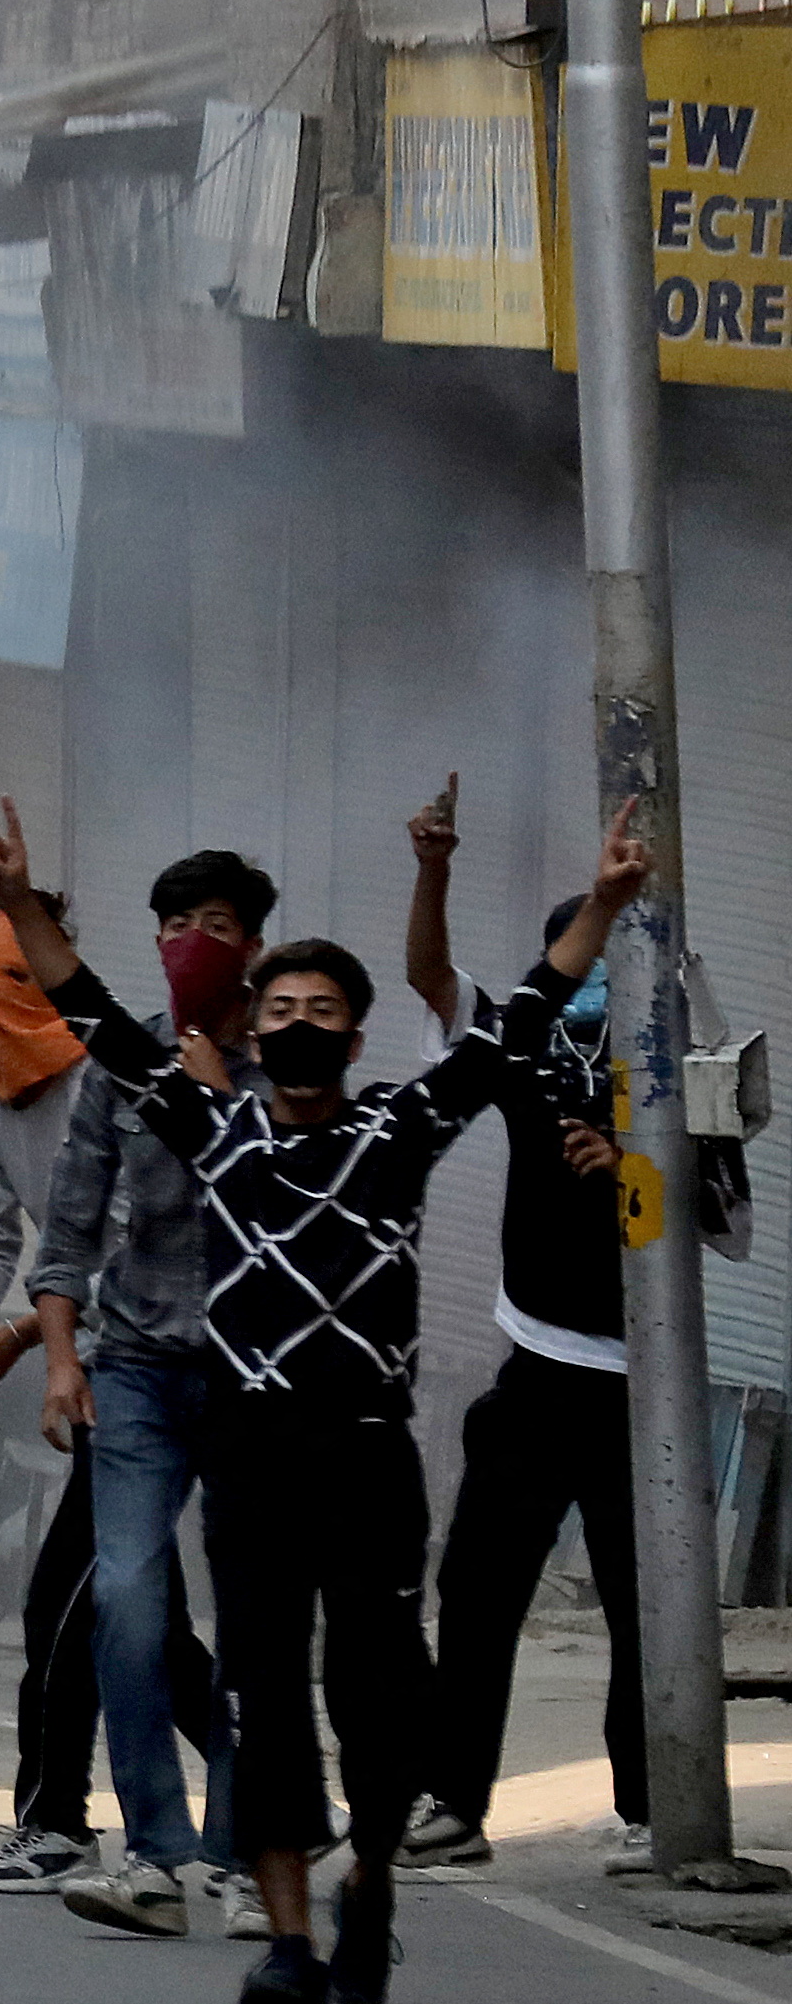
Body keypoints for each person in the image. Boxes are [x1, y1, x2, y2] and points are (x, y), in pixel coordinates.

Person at [0, 795, 631, 2004]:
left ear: (354, 1033)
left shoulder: (398, 1126)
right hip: (250, 1457)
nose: (293, 1027)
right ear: (252, 1030)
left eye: (318, 1012)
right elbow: (100, 1027)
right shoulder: (213, 1132)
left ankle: (371, 1874)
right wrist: (19, 904)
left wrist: (597, 904)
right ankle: (283, 1937)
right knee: (261, 1688)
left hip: (370, 1458)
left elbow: (518, 1022)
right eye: (275, 1010)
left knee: (381, 1692)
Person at [397, 783, 709, 1878]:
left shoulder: (672, 1074)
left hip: (643, 1383)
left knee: (645, 1608)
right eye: (570, 976)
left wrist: (633, 1171)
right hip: (532, 1366)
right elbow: (430, 980)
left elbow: (725, 1220)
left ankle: (649, 1807)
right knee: (474, 1591)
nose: (583, 1002)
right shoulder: (519, 1049)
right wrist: (431, 867)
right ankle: (452, 1801)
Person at [0, 899, 175, 1896]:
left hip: (157, 1361)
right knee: (132, 1606)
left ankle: (56, 1821)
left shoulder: (114, 1086)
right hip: (100, 1366)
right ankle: (272, 1800)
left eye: (12, 979)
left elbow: (132, 1253)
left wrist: (21, 1337)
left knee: (62, 1606)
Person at [28, 850, 269, 1942]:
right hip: (129, 1370)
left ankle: (244, 1847)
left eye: (212, 923)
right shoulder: (116, 1070)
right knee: (125, 1598)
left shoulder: (286, 1063)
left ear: (250, 946)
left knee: (256, 1611)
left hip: (249, 1378)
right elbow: (66, 1233)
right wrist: (58, 1359)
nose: (188, 941)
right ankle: (156, 1855)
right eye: (173, 920)